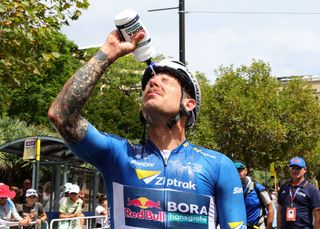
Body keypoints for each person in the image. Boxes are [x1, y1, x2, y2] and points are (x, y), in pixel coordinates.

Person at [48, 28, 246, 228]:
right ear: (143, 111)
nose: (153, 82)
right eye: (149, 83)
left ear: (189, 104)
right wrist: (108, 52)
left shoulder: (219, 166)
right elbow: (61, 116)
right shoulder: (118, 155)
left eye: (166, 81)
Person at [277, 157, 320, 229]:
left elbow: (318, 215)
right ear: (289, 169)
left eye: (298, 168)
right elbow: (280, 210)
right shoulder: (284, 187)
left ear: (305, 170)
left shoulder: (311, 189)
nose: (295, 170)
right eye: (292, 168)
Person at [235, 161, 274, 229]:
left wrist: (269, 227)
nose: (237, 174)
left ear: (245, 171)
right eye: (235, 171)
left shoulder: (257, 188)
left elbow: (270, 208)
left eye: (240, 171)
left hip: (257, 226)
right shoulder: (230, 189)